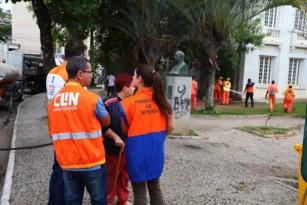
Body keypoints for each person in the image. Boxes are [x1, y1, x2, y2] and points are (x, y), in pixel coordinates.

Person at [48, 56, 110, 205]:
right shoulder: (92, 99)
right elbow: (106, 121)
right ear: (80, 74)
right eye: (90, 72)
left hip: (67, 163)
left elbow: (52, 132)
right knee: (99, 199)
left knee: (72, 200)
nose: (92, 75)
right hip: (92, 160)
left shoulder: (53, 102)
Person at [119, 64, 174, 205]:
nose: (132, 78)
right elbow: (171, 126)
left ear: (140, 79)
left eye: (134, 75)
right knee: (155, 187)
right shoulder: (163, 101)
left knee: (139, 191)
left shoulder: (127, 103)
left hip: (135, 151)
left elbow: (124, 130)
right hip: (156, 149)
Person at [46, 40, 86, 205]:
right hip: (69, 130)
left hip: (55, 128)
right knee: (66, 173)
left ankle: (53, 201)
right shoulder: (70, 76)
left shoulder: (52, 72)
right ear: (80, 56)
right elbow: (78, 104)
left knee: (57, 170)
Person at [103, 74, 135, 205]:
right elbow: (101, 126)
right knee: (111, 176)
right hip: (112, 148)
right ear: (125, 88)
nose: (134, 89)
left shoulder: (133, 102)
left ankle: (123, 199)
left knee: (125, 175)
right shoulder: (107, 103)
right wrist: (115, 137)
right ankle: (107, 200)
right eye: (132, 86)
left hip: (128, 147)